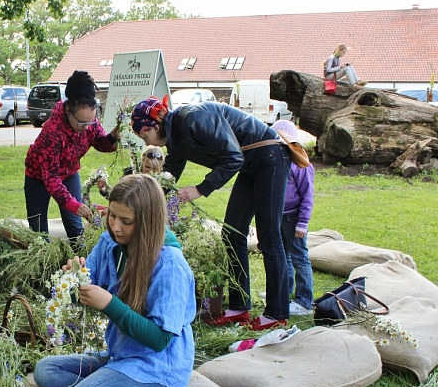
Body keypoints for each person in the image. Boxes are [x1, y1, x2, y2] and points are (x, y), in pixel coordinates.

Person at [33, 175, 211, 387]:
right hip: (122, 357)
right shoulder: (110, 244)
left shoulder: (170, 265)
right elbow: (91, 294)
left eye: (125, 221)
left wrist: (109, 304)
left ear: (148, 222)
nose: (115, 226)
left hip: (158, 369)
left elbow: (158, 340)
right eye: (112, 215)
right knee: (46, 372)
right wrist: (75, 281)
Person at [131, 97, 290, 330]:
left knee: (269, 237)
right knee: (232, 233)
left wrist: (200, 189)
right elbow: (170, 173)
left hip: (270, 156)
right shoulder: (175, 137)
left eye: (145, 137)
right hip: (250, 164)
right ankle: (239, 307)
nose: (147, 142)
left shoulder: (193, 118)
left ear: (154, 126)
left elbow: (233, 156)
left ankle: (277, 313)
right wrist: (150, 201)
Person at [24, 70, 119, 239]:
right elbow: (51, 178)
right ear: (68, 110)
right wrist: (72, 203)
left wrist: (112, 137)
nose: (86, 126)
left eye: (90, 121)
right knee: (38, 232)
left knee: (76, 230)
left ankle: (80, 261)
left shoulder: (90, 123)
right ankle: (42, 260)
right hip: (38, 178)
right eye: (81, 122)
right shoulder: (52, 131)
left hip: (69, 173)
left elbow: (100, 142)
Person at [273, 120, 315, 316]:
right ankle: (285, 292)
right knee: (283, 256)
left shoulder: (301, 164)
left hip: (294, 219)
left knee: (300, 258)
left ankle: (305, 301)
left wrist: (303, 223)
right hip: (279, 216)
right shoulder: (278, 160)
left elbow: (308, 196)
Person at [97, 145, 165, 198]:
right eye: (147, 167)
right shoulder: (130, 175)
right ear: (142, 163)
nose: (151, 171)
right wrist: (104, 190)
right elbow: (118, 198)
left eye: (155, 169)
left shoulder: (164, 182)